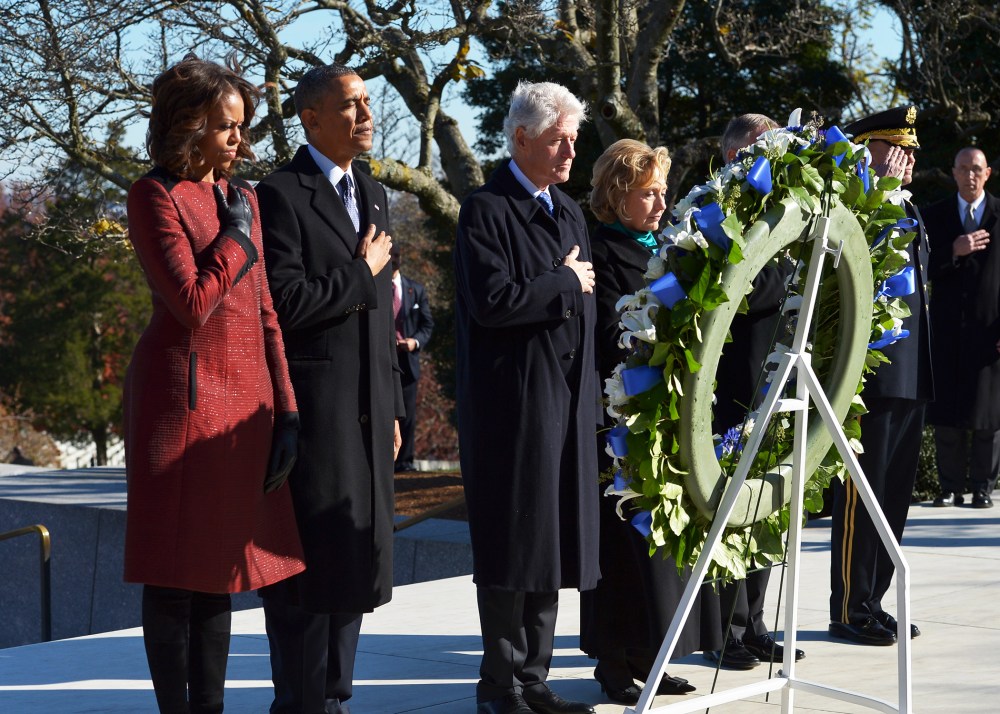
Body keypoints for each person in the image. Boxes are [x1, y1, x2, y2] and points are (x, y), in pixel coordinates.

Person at [123, 55, 304, 714]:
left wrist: (286, 411)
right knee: (175, 572)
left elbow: (265, 316)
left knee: (220, 572)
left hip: (244, 411)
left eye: (241, 126)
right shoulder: (154, 195)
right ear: (188, 125)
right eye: (226, 125)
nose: (239, 140)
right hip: (181, 405)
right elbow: (190, 302)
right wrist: (234, 244)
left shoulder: (244, 198)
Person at [256, 63, 404, 714]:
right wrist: (359, 272)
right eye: (351, 103)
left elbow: (385, 319)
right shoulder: (279, 194)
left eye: (368, 100)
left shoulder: (371, 190)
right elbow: (283, 302)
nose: (365, 113)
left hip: (371, 409)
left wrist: (395, 404)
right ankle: (300, 701)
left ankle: (335, 697)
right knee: (309, 570)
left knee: (355, 563)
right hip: (316, 415)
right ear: (311, 118)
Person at [454, 80, 599, 714]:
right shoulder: (486, 209)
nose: (569, 153)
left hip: (567, 401)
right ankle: (500, 686)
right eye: (557, 141)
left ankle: (535, 680)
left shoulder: (569, 210)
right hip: (513, 405)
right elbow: (495, 303)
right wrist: (562, 280)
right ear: (521, 139)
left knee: (553, 542)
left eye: (573, 140)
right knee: (515, 545)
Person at [579, 138, 721, 704]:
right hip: (622, 415)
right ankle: (614, 662)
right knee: (622, 544)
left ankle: (652, 653)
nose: (661, 202)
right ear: (618, 195)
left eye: (663, 191)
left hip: (670, 411)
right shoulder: (601, 248)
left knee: (662, 541)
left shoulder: (662, 243)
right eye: (648, 193)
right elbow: (618, 329)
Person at [704, 114, 804, 670]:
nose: (762, 163)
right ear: (730, 158)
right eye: (752, 154)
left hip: (777, 377)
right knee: (730, 505)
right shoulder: (712, 211)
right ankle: (726, 630)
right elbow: (732, 285)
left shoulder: (783, 210)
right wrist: (790, 277)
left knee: (768, 506)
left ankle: (756, 622)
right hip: (731, 382)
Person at [830, 106, 932, 645]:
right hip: (871, 376)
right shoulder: (854, 204)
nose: (908, 158)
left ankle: (872, 599)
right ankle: (848, 604)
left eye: (911, 150)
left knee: (894, 498)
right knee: (861, 497)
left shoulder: (909, 208)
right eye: (897, 148)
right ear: (868, 149)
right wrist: (872, 185)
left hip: (912, 374)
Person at [924, 147, 1000, 509]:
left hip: (990, 332)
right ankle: (949, 486)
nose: (970, 175)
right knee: (948, 417)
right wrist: (953, 250)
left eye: (977, 169)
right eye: (963, 169)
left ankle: (983, 487)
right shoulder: (934, 215)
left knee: (988, 417)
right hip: (947, 330)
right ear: (952, 173)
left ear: (987, 174)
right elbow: (917, 264)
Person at [391, 245, 434, 472]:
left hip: (407, 362)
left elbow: (427, 325)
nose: (394, 260)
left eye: (397, 256)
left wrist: (414, 342)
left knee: (407, 414)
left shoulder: (415, 290)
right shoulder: (374, 287)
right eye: (391, 255)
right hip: (382, 361)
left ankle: (405, 463)